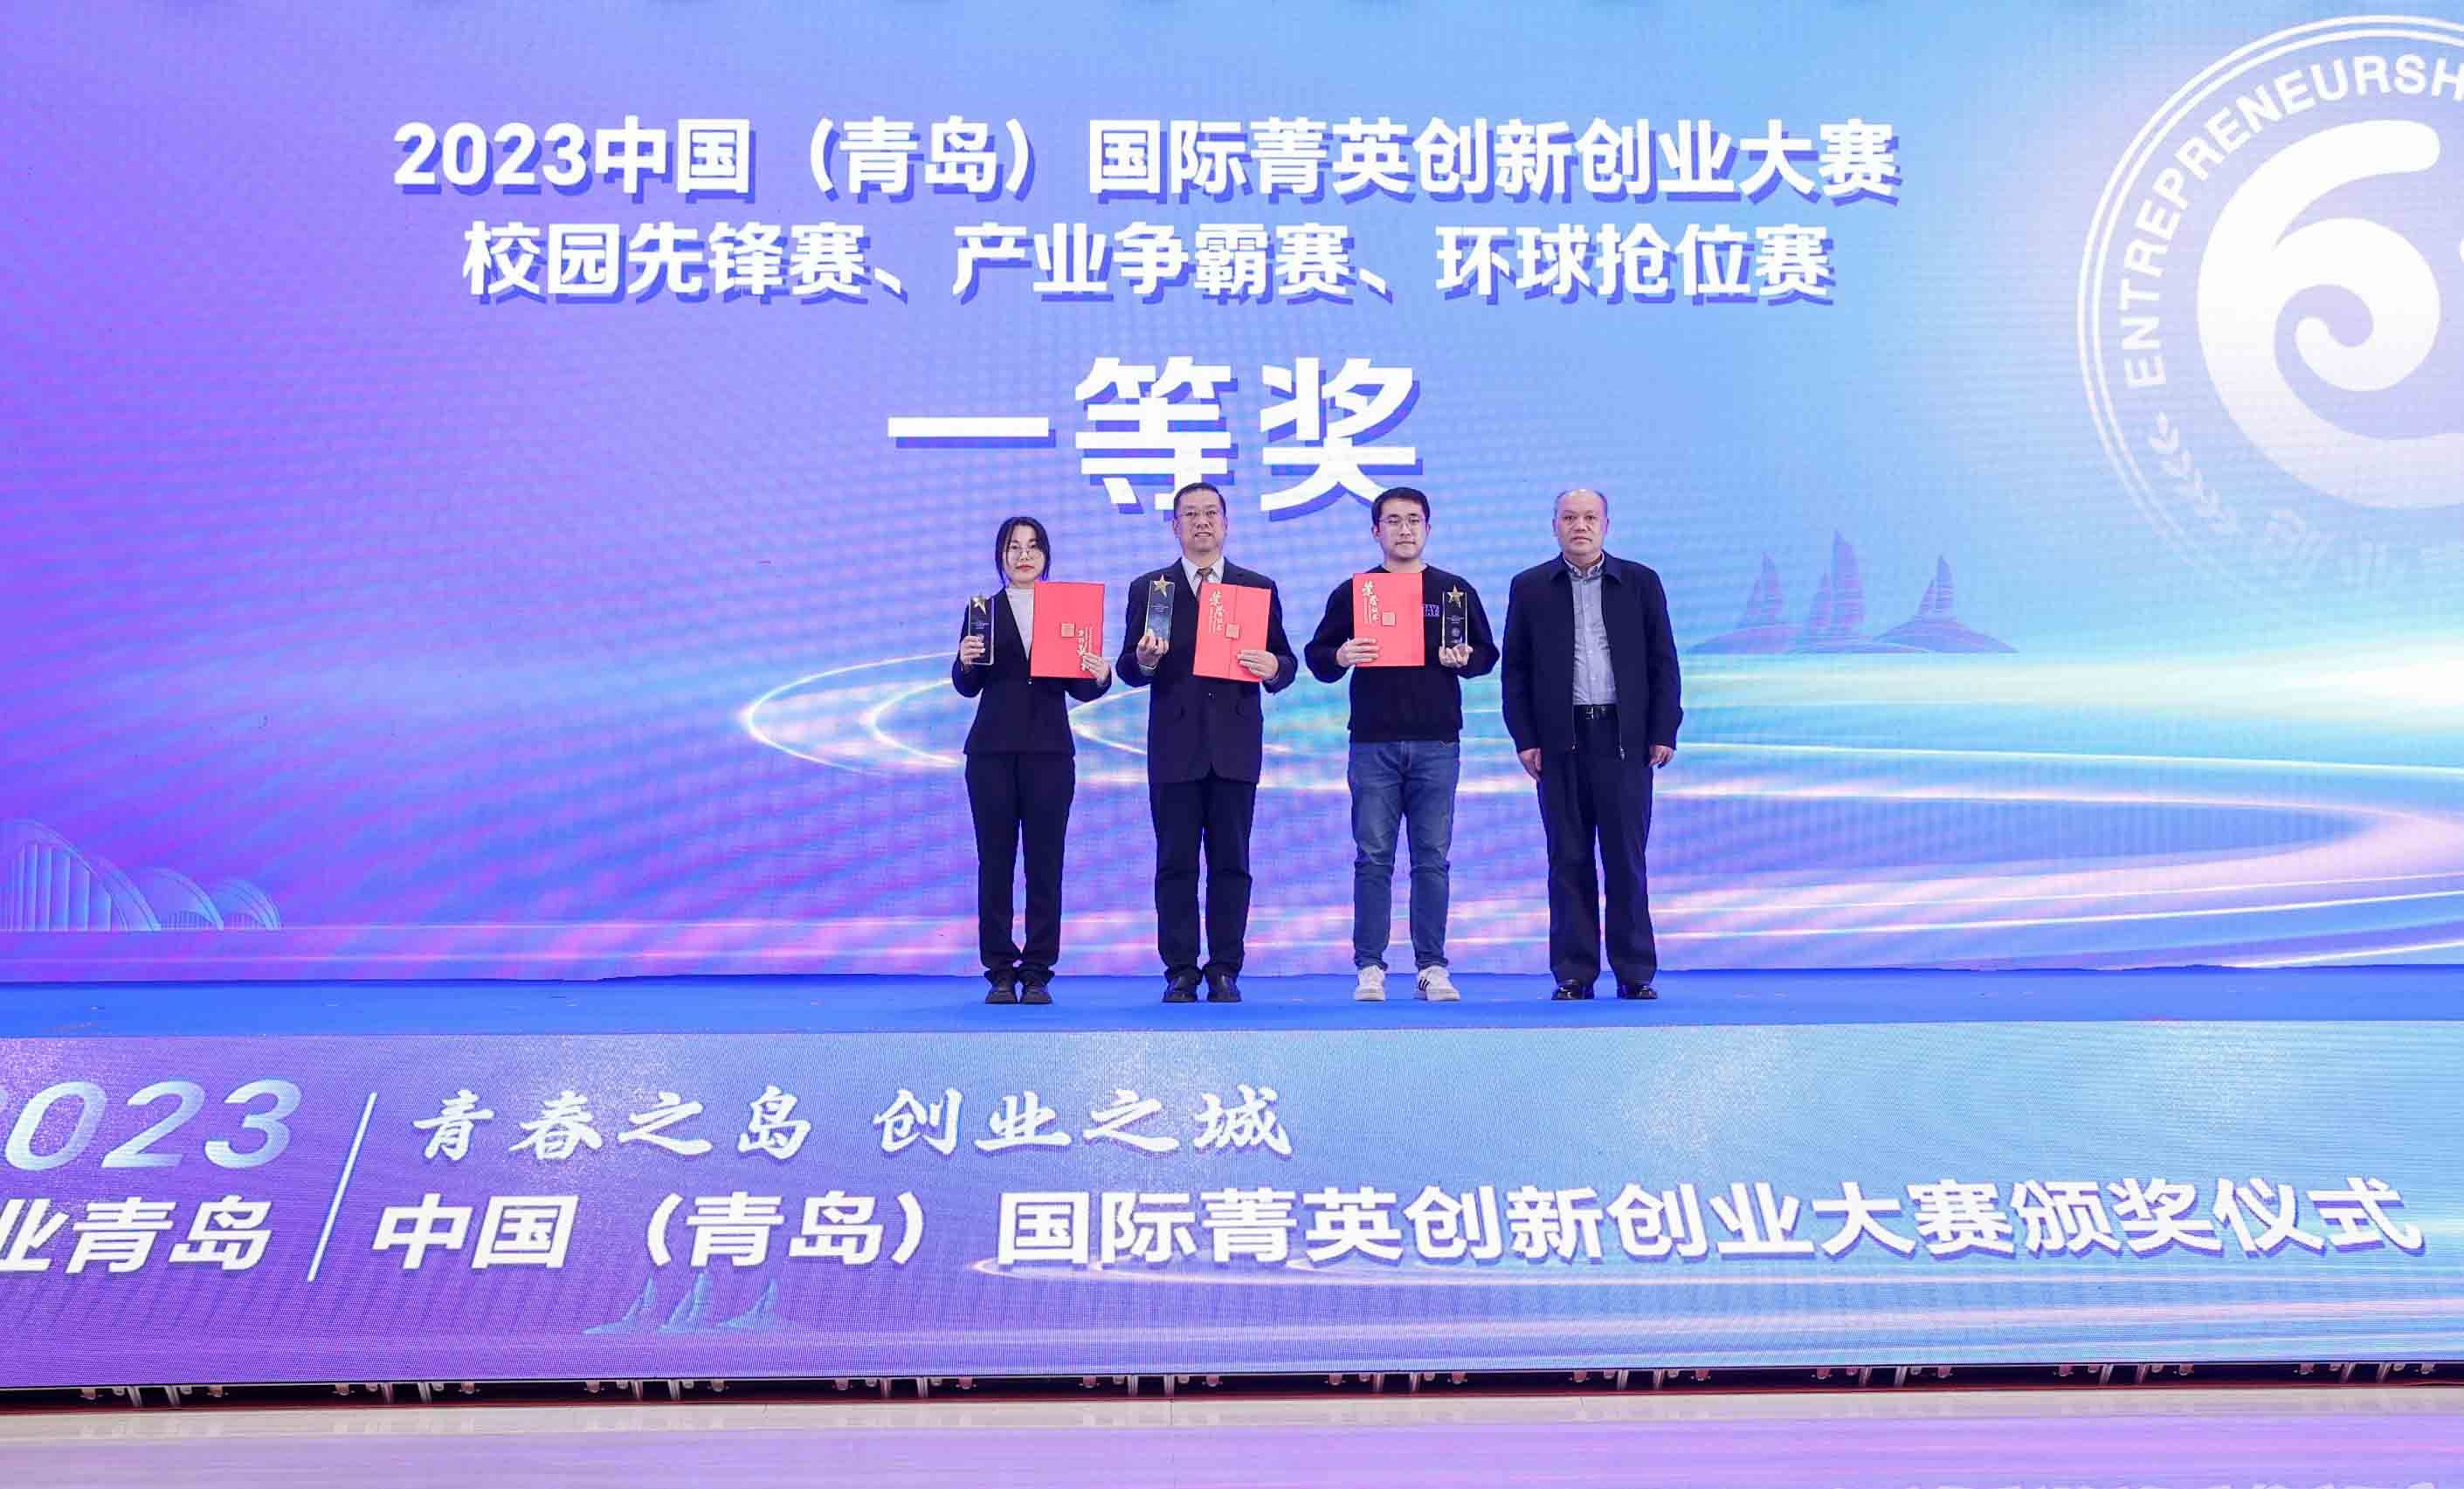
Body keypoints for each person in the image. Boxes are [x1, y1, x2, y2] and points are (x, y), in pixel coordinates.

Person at [1304, 486, 1498, 1002]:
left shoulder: (1453, 590)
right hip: (1373, 743)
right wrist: (1341, 655)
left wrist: (1465, 659)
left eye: (1414, 520)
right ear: (1376, 531)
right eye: (1393, 521)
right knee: (1373, 857)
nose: (1404, 529)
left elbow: (1487, 654)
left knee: (1432, 857)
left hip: (1437, 741)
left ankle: (1432, 965)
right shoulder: (1355, 592)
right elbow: (1317, 657)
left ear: (1428, 528)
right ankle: (1370, 966)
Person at [1115, 481, 1297, 1004]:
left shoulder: (1255, 587)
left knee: (1231, 864)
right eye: (1190, 514)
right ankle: (1179, 969)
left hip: (1235, 748)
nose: (1201, 522)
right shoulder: (1151, 589)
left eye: (1210, 513)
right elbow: (1128, 666)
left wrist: (1273, 667)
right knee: (1174, 863)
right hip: (1174, 747)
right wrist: (1144, 661)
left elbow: (1286, 661)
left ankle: (1224, 968)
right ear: (1174, 526)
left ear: (1226, 523)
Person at [1500, 487, 1682, 1001]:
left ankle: (1634, 971)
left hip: (1625, 740)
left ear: (1606, 525)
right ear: (1554, 525)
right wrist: (1525, 738)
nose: (1579, 526)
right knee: (1568, 858)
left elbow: (1663, 660)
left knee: (1626, 858)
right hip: (1560, 740)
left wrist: (1663, 729)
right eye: (1569, 517)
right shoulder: (1530, 587)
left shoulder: (1640, 582)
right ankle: (1574, 972)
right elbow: (1515, 670)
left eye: (1589, 517)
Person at [951, 516, 1111, 1005]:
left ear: (1046, 556)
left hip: (1049, 752)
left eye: (1033, 546)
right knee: (995, 862)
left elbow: (1081, 688)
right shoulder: (983, 610)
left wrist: (1100, 674)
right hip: (991, 753)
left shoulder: (1067, 609)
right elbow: (967, 685)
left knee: (1045, 863)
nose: (1024, 555)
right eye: (1014, 546)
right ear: (1001, 556)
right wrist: (964, 660)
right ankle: (1000, 969)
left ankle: (1038, 969)